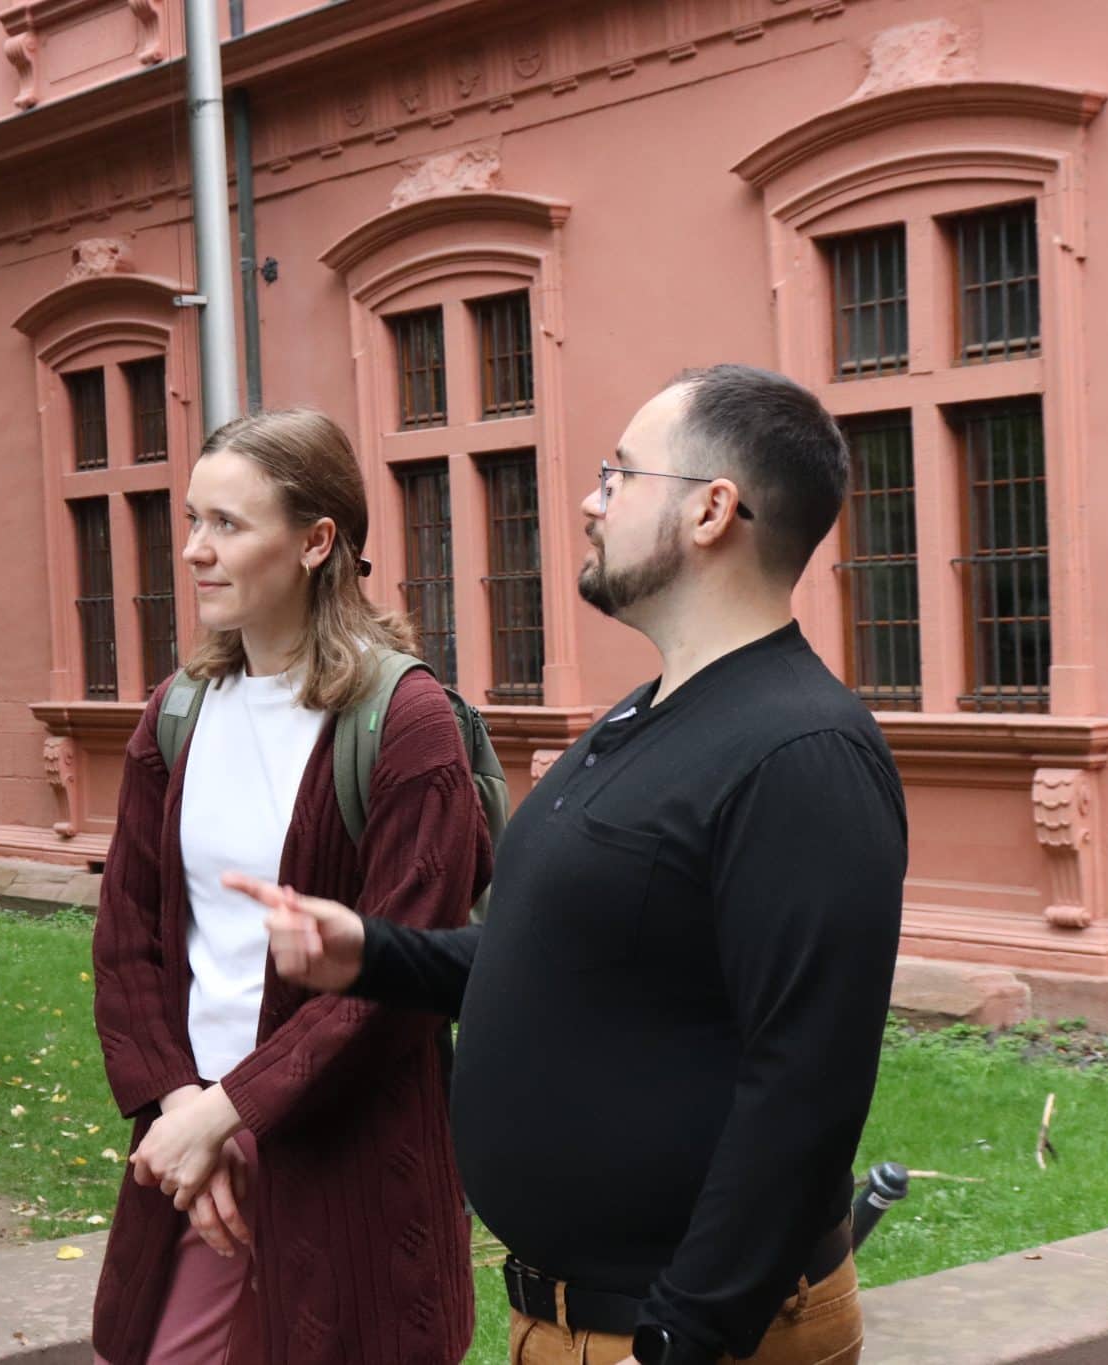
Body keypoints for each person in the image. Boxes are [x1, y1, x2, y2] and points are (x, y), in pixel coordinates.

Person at [229, 366, 908, 1365]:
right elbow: (562, 957)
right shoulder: (647, 716)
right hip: (565, 1320)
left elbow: (805, 1083)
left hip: (685, 1338)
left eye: (619, 475)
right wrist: (372, 953)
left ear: (711, 510)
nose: (591, 502)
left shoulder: (802, 754)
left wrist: (682, 1337)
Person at [90, 408, 492, 1365]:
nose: (194, 549)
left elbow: (400, 975)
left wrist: (230, 1109)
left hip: (347, 1151)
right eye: (193, 519)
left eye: (228, 524)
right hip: (195, 1139)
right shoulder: (179, 711)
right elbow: (128, 937)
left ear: (316, 542)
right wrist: (182, 1113)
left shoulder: (405, 722)